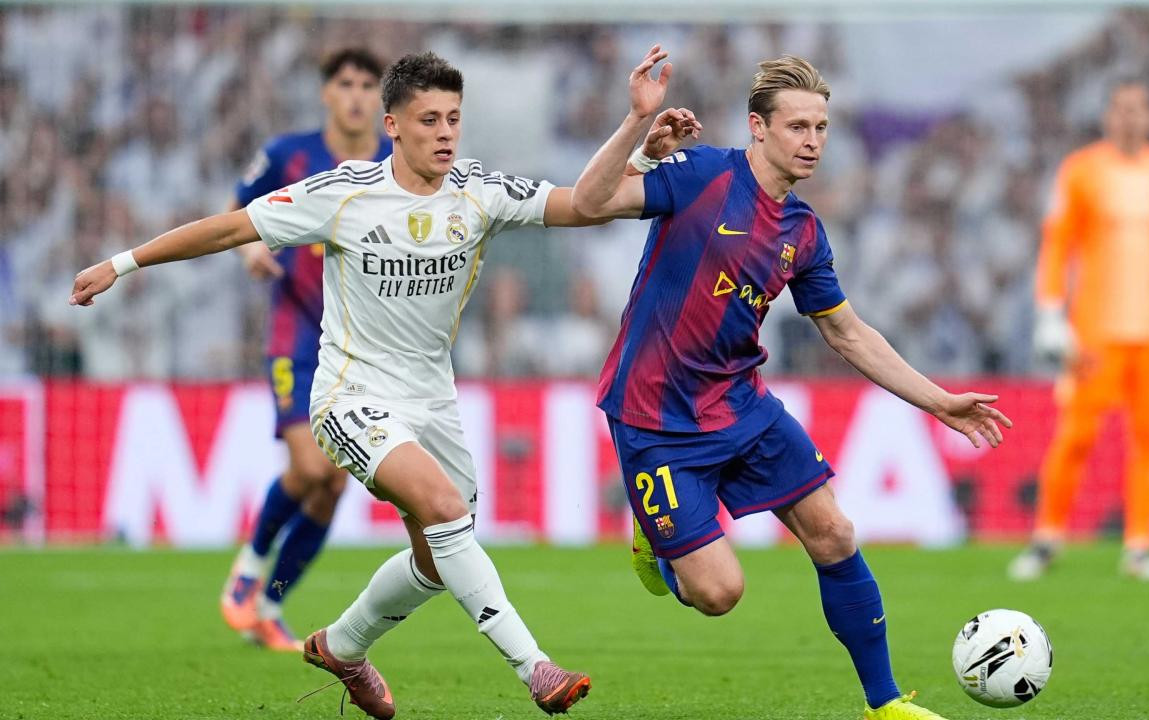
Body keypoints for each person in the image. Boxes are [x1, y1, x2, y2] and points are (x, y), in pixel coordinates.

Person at [69, 50, 699, 719]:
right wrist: (122, 263)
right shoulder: (342, 194)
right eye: (429, 120)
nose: (445, 133)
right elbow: (232, 226)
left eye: (453, 118)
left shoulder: (479, 191)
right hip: (351, 399)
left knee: (435, 558)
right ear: (392, 124)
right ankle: (535, 667)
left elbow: (585, 205)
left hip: (433, 402)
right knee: (446, 511)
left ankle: (342, 646)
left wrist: (638, 139)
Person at [570, 49, 1012, 720]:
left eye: (821, 127)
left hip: (740, 404)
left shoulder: (802, 231)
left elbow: (848, 333)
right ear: (758, 126)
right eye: (798, 126)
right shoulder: (701, 174)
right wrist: (637, 124)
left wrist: (939, 401)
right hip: (654, 417)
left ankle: (885, 702)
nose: (813, 141)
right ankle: (659, 550)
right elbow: (590, 201)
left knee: (834, 532)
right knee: (718, 594)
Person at [1009, 78, 1149, 582]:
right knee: (1077, 435)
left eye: (1137, 108)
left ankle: (1140, 547)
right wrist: (1050, 314)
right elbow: (1058, 245)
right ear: (1108, 115)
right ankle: (1046, 539)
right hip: (1096, 331)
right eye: (1120, 108)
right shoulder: (1082, 171)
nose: (1129, 118)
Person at [220, 47, 393, 653]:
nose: (356, 96)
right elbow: (237, 209)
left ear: (381, 98)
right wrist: (251, 248)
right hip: (296, 332)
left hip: (362, 344)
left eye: (367, 85)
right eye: (345, 83)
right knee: (313, 467)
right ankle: (249, 568)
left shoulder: (398, 160)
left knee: (334, 487)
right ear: (326, 92)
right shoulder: (288, 155)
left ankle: (270, 606)